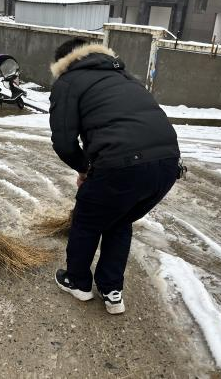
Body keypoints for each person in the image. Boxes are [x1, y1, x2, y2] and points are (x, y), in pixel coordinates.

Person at [49, 39, 181, 315]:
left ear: (63, 63)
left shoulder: (69, 82)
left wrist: (85, 169)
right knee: (119, 220)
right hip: (168, 164)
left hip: (122, 164)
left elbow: (64, 142)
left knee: (86, 220)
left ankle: (77, 282)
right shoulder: (125, 77)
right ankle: (112, 291)